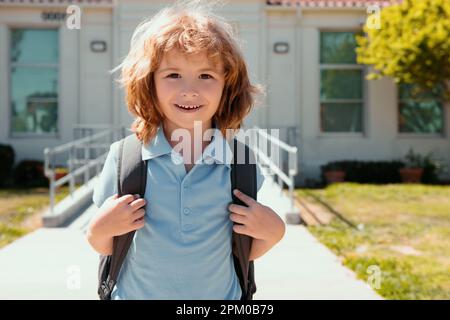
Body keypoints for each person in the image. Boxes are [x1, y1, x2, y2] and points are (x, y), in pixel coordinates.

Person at [87, 1, 285, 300]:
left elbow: (245, 249)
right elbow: (105, 244)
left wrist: (275, 232)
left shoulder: (240, 161)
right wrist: (99, 229)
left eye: (206, 76)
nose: (189, 89)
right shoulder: (126, 158)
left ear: (227, 87)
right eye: (173, 75)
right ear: (149, 83)